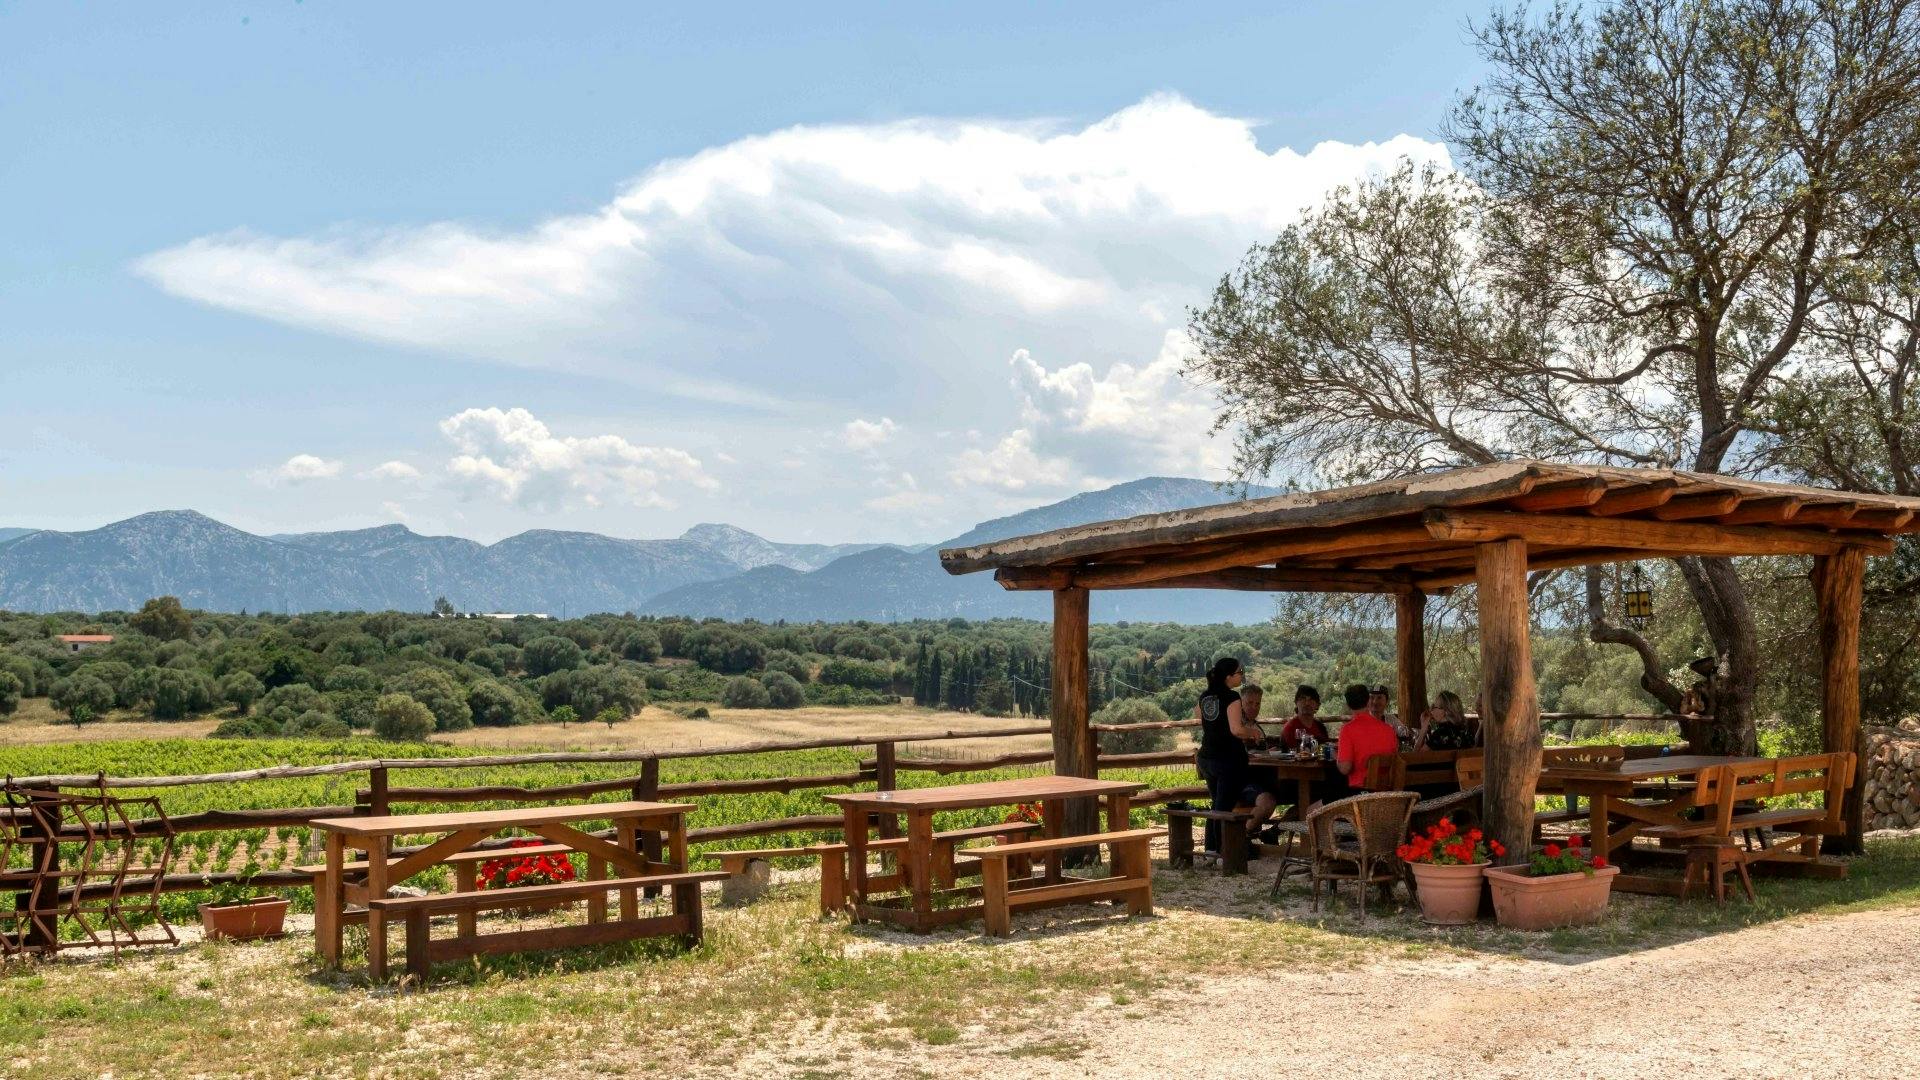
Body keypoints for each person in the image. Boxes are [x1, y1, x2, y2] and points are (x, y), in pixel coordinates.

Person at [1194, 657, 1278, 849]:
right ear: (1229, 676)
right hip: (1227, 759)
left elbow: (1198, 715)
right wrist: (1253, 732)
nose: (1242, 676)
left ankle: (1211, 849)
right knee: (1223, 807)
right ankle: (1225, 849)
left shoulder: (1206, 696)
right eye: (1239, 672)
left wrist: (1216, 726)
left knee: (1217, 804)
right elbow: (1236, 730)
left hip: (1207, 755)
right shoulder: (1231, 697)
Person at [1335, 683, 1400, 791]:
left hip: (1360, 794)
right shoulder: (1389, 729)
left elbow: (1345, 769)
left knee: (1314, 807)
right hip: (1386, 792)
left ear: (1348, 704)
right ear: (1368, 701)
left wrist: (1336, 756)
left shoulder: (1347, 729)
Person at [1278, 684, 1327, 751]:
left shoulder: (1321, 727)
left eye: (1311, 699)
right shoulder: (1290, 728)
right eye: (1303, 699)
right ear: (1296, 703)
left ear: (1317, 705)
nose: (1307, 703)